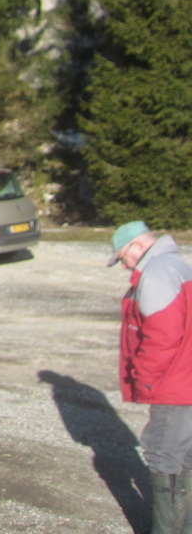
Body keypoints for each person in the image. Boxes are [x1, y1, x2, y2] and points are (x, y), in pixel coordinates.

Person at [109, 220, 192, 533]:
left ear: (138, 246)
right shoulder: (177, 265)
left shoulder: (157, 272)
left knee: (163, 456)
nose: (124, 265)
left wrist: (145, 379)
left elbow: (162, 335)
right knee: (185, 456)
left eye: (123, 258)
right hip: (186, 379)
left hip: (174, 383)